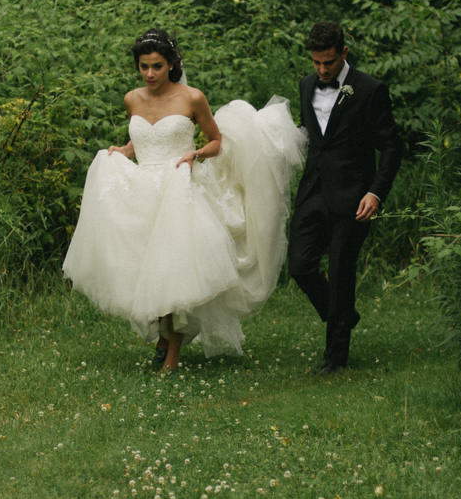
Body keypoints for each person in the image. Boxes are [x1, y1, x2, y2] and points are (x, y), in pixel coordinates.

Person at [62, 28, 306, 371]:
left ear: (172, 64)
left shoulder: (191, 98)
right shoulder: (132, 98)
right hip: (144, 189)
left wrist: (195, 154)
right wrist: (123, 150)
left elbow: (216, 141)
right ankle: (163, 337)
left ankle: (171, 355)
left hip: (180, 188)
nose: (150, 74)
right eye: (144, 66)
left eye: (157, 66)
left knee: (174, 268)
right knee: (148, 266)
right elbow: (141, 139)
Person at [289, 20, 403, 374]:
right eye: (316, 62)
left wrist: (375, 193)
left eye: (329, 63)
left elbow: (391, 145)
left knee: (340, 272)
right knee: (299, 265)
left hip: (354, 197)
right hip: (312, 193)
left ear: (344, 53)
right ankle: (343, 315)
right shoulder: (306, 85)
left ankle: (335, 359)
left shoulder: (369, 89)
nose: (322, 70)